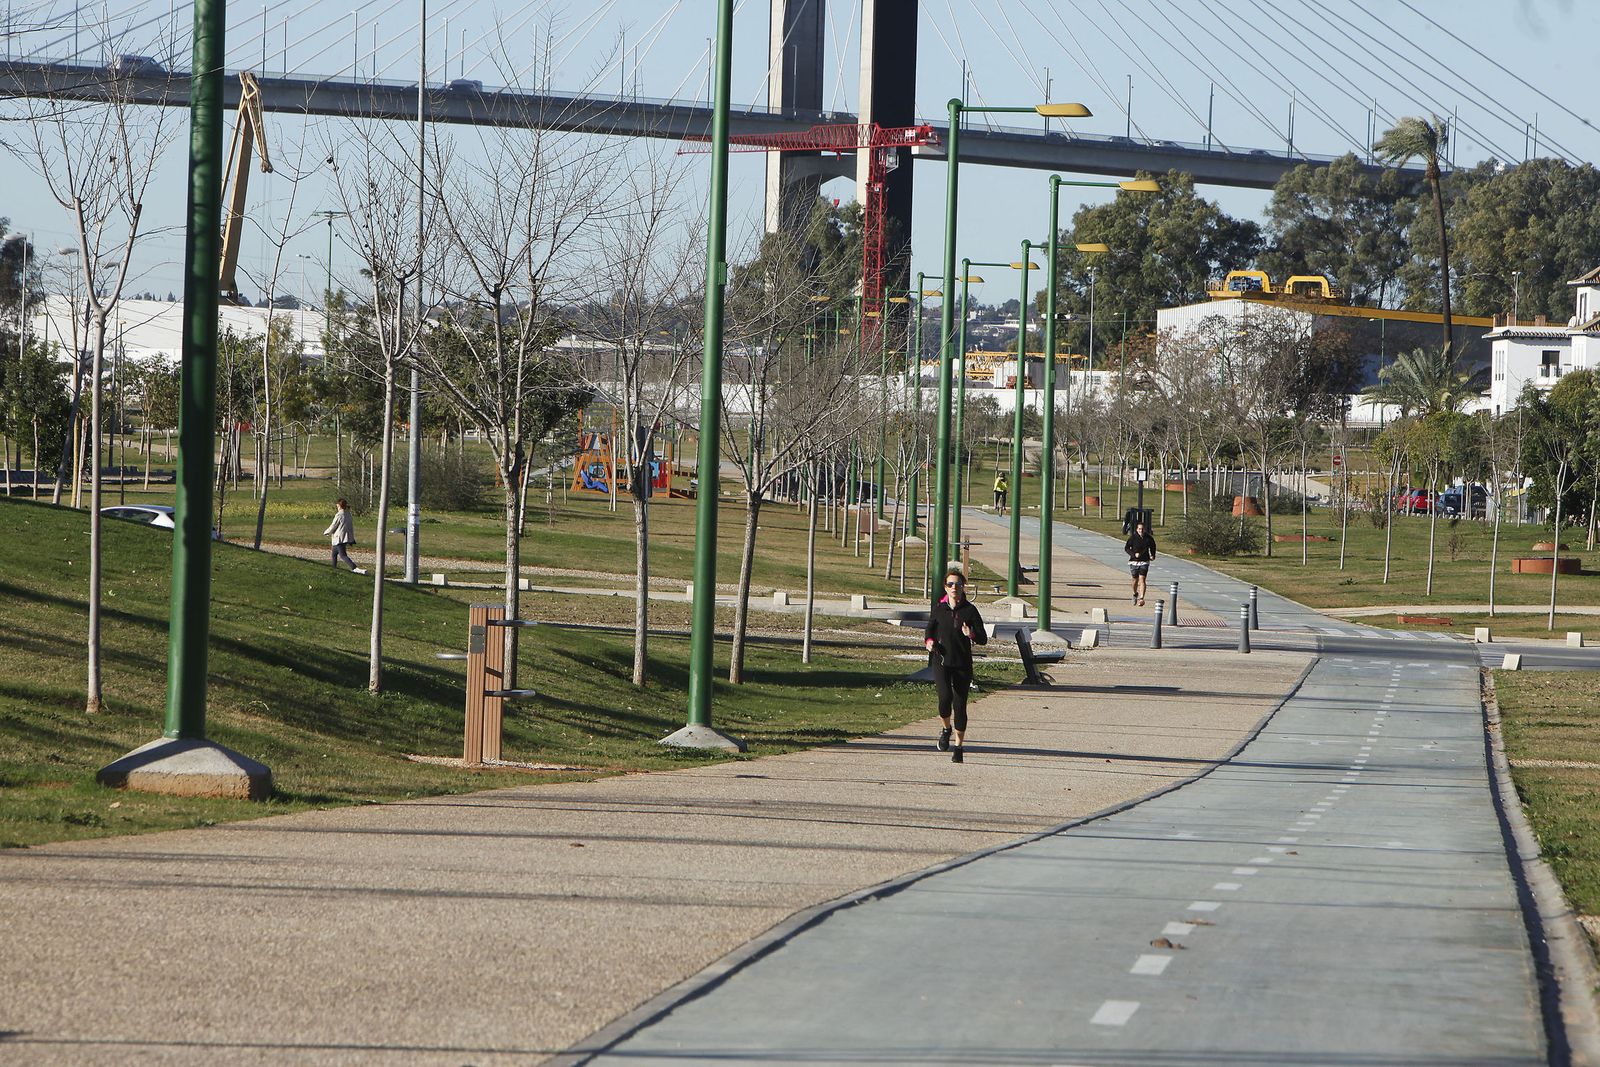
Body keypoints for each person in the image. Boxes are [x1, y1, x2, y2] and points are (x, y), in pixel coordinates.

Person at [924, 568, 988, 764]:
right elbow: (929, 631)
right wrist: (929, 642)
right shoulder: (939, 609)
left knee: (960, 706)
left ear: (963, 587)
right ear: (945, 587)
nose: (954, 588)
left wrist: (971, 634)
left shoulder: (970, 610)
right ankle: (946, 729)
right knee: (945, 699)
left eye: (958, 585)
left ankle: (959, 746)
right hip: (941, 661)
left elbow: (983, 638)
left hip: (962, 663)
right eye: (951, 584)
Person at [1124, 519, 1156, 606]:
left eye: (1142, 529)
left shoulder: (1149, 538)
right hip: (1134, 561)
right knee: (1135, 579)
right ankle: (1135, 593)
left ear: (1144, 529)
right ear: (1137, 529)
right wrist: (1134, 554)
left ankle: (1142, 598)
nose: (1141, 530)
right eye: (1139, 529)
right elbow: (1127, 548)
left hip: (1144, 561)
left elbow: (1153, 546)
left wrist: (1153, 555)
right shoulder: (1133, 538)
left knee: (1142, 579)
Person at [323, 498, 360, 571]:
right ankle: (333, 568)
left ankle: (354, 568)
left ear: (339, 505)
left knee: (343, 555)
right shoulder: (348, 514)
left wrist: (326, 532)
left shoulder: (339, 515)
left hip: (339, 538)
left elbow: (333, 526)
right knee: (334, 554)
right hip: (345, 537)